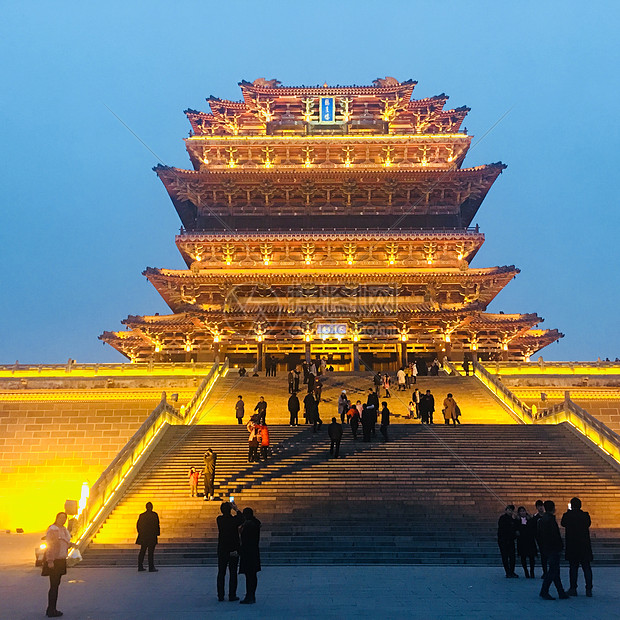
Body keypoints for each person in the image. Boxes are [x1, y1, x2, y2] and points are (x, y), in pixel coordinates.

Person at [43, 511, 77, 617]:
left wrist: (70, 544)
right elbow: (50, 546)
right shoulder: (53, 530)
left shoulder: (63, 530)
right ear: (56, 518)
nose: (63, 520)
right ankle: (51, 610)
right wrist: (50, 561)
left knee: (56, 585)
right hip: (54, 560)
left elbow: (62, 544)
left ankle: (52, 608)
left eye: (64, 518)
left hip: (61, 560)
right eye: (61, 518)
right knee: (53, 586)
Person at [561, 497, 593, 597]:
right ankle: (588, 589)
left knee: (573, 568)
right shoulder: (585, 515)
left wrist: (568, 512)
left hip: (573, 546)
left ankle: (573, 588)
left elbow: (563, 523)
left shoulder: (567, 515)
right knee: (586, 568)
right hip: (584, 546)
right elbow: (588, 524)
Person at [538, 500, 569, 600]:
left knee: (555, 570)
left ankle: (560, 592)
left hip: (547, 547)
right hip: (553, 548)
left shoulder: (542, 519)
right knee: (553, 571)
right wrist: (560, 546)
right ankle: (544, 591)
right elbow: (555, 535)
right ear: (553, 508)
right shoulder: (550, 520)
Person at [217, 501, 244, 602]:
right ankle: (232, 595)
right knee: (233, 573)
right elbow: (242, 519)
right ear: (230, 510)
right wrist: (236, 509)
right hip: (233, 549)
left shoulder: (219, 519)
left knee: (221, 573)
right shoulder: (234, 520)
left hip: (222, 549)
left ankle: (220, 595)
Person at [239, 507, 261, 604]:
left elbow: (244, 540)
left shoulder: (248, 525)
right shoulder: (255, 523)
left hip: (247, 553)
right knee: (253, 575)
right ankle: (252, 595)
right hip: (254, 552)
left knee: (249, 576)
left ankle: (249, 595)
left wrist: (240, 532)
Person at [136, 502, 160, 572]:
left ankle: (140, 566)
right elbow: (157, 525)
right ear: (152, 507)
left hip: (144, 536)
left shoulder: (142, 515)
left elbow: (138, 525)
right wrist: (157, 534)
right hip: (152, 536)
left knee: (142, 551)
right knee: (150, 552)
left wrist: (140, 533)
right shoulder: (154, 515)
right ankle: (151, 567)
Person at [515, 506, 537, 578]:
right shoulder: (517, 520)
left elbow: (533, 527)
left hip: (529, 539)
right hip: (522, 540)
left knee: (531, 557)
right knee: (523, 557)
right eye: (521, 511)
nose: (522, 512)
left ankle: (532, 571)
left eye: (523, 511)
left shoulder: (530, 519)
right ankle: (526, 571)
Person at [497, 504, 518, 578]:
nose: (510, 511)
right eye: (509, 509)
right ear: (506, 510)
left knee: (512, 557)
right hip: (504, 540)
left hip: (510, 540)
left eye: (511, 510)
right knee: (505, 557)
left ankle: (512, 571)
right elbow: (503, 529)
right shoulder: (503, 518)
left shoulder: (513, 519)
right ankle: (508, 572)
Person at [531, 499, 547, 579]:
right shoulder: (535, 518)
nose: (541, 508)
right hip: (540, 539)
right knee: (543, 556)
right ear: (537, 507)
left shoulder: (547, 516)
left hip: (548, 539)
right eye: (539, 506)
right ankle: (545, 572)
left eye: (542, 506)